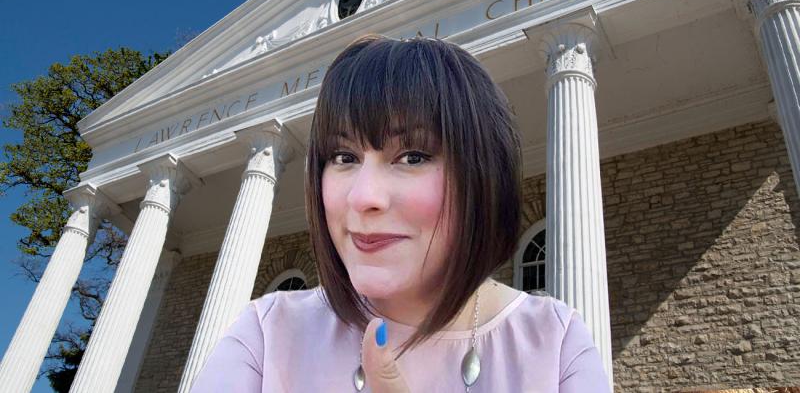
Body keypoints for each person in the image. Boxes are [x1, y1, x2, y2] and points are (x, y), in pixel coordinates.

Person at [190, 33, 611, 392]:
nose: (362, 198)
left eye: (412, 156)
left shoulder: (556, 343)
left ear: (482, 173)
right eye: (343, 156)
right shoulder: (266, 334)